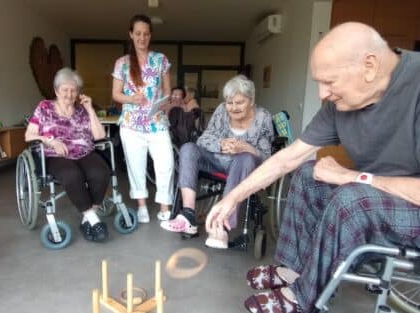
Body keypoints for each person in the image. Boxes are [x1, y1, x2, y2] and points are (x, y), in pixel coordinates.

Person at [206, 22, 420, 313]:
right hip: (379, 198)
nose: (323, 93)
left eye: (329, 82)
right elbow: (287, 159)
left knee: (352, 198)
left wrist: (353, 177)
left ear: (369, 66)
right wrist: (233, 198)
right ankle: (293, 270)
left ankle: (306, 298)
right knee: (309, 173)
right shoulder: (340, 104)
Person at [161, 75, 274, 249]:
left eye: (239, 102)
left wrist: (246, 148)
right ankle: (188, 216)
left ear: (251, 101)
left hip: (243, 167)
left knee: (245, 158)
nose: (233, 108)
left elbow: (266, 156)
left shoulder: (263, 117)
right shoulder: (221, 111)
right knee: (188, 148)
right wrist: (220, 144)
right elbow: (203, 139)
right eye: (230, 103)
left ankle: (221, 226)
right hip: (216, 162)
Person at [25, 67, 110, 242]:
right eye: (65, 90)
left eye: (73, 90)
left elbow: (100, 136)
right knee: (72, 175)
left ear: (78, 92)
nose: (69, 94)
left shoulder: (82, 110)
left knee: (101, 172)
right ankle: (93, 219)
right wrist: (50, 140)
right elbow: (29, 135)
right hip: (56, 155)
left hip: (84, 152)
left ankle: (88, 217)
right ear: (56, 90)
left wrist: (90, 110)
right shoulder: (44, 107)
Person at [112, 14, 174, 223]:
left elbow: (167, 90)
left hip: (156, 122)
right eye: (137, 33)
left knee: (165, 163)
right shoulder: (122, 63)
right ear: (131, 34)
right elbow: (116, 94)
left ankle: (165, 206)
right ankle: (142, 206)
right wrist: (132, 98)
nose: (141, 37)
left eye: (146, 34)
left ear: (150, 36)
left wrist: (164, 107)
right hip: (131, 124)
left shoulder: (160, 60)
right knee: (136, 166)